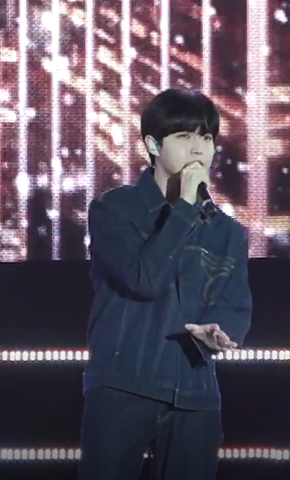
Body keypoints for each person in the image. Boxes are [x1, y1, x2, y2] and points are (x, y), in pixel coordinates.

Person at [77, 88, 252, 480]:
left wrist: (220, 332)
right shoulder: (114, 210)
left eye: (206, 138)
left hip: (195, 392)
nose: (198, 148)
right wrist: (184, 208)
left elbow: (235, 304)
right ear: (153, 145)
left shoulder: (228, 232)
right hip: (123, 384)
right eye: (184, 136)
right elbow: (142, 279)